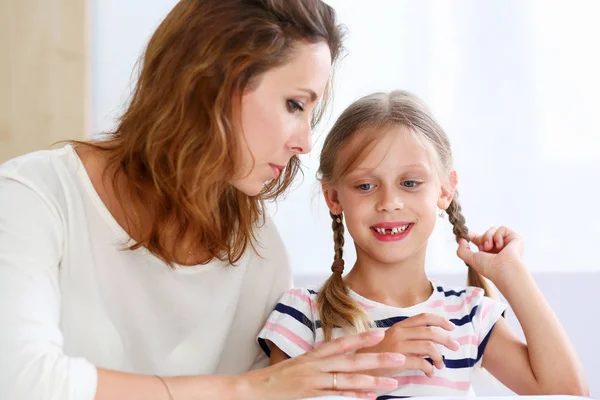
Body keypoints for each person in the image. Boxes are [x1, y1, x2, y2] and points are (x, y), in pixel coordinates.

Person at [0, 1, 408, 399]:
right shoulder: (33, 197)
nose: (304, 143)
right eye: (294, 105)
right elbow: (21, 381)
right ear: (212, 83)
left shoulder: (261, 252)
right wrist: (250, 388)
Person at [258, 90, 589, 398]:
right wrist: (373, 359)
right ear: (333, 196)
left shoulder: (468, 316)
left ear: (445, 191)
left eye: (410, 183)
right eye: (365, 186)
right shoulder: (302, 313)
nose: (390, 202)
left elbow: (567, 393)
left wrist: (513, 274)